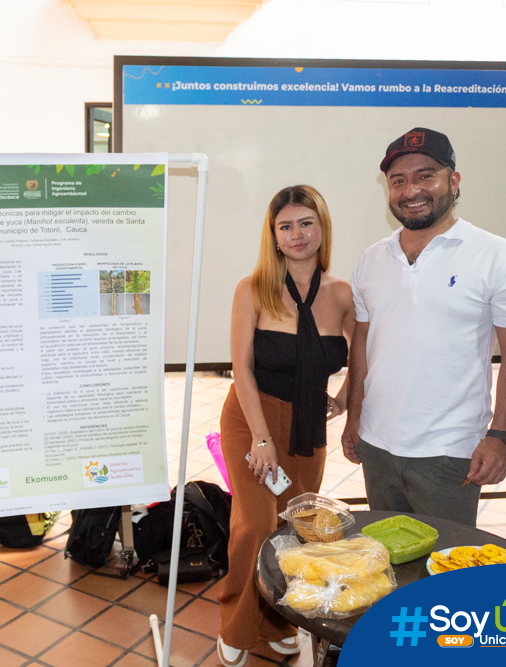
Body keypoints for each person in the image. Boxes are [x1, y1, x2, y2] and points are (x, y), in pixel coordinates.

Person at [341, 127, 506, 527]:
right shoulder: (372, 259)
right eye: (399, 180)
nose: (411, 189)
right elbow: (362, 343)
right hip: (376, 446)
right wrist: (354, 418)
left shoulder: (498, 255)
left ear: (454, 180)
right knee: (385, 561)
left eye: (425, 175)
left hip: (450, 452)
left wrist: (500, 436)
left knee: (446, 570)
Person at [217, 185, 354, 666]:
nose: (297, 235)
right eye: (285, 226)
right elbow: (243, 368)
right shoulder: (252, 288)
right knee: (254, 523)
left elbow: (366, 356)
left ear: (322, 228)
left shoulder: (341, 294)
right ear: (273, 236)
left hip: (307, 424)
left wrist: (344, 400)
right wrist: (261, 438)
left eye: (306, 223)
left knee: (291, 528)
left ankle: (276, 621)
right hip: (251, 417)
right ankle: (237, 622)